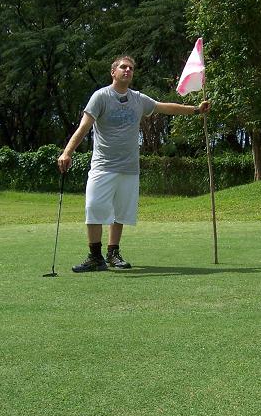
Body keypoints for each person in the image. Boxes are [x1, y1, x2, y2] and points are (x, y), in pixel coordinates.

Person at [58, 55, 211, 273]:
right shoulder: (100, 97)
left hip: (129, 168)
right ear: (113, 72)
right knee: (94, 208)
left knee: (120, 213)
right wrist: (67, 153)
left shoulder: (138, 99)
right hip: (103, 166)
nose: (127, 70)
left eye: (130, 68)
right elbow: (84, 127)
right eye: (123, 67)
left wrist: (196, 109)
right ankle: (95, 257)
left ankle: (113, 254)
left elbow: (165, 107)